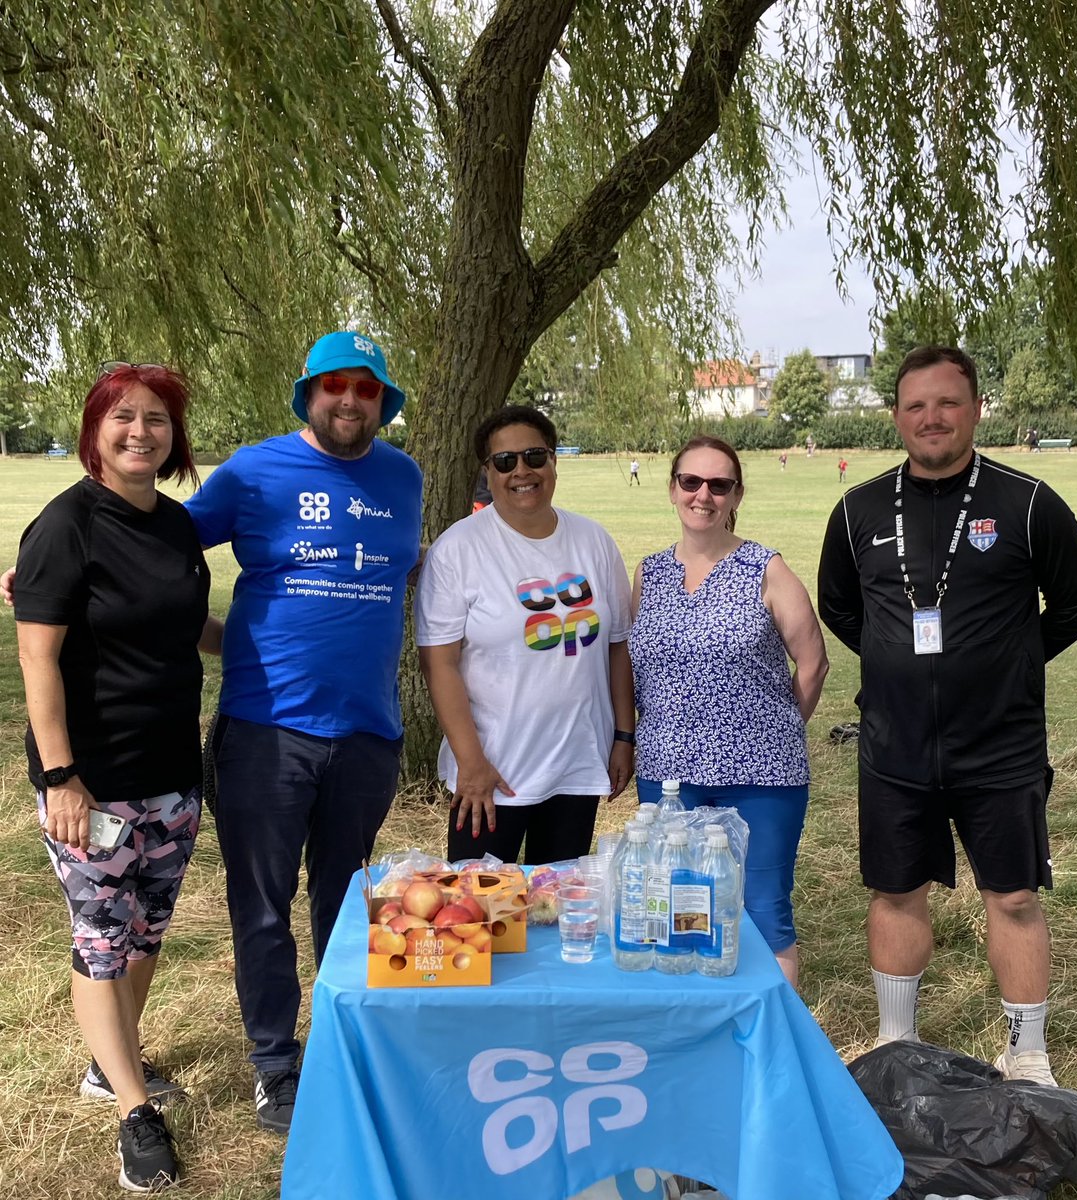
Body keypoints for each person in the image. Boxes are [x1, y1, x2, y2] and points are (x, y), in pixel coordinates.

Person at [817, 345, 1077, 1085]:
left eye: (947, 402)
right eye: (915, 405)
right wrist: (893, 662)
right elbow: (840, 607)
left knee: (1010, 895)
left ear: (975, 409)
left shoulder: (1027, 502)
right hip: (892, 744)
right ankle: (896, 1043)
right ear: (896, 417)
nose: (931, 417)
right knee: (895, 890)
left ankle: (1028, 1054)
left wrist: (1009, 663)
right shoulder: (858, 510)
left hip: (998, 747)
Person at [185, 333, 421, 1131]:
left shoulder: (402, 476)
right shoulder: (253, 471)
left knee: (345, 898)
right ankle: (274, 1064)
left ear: (381, 402)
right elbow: (154, 545)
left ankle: (344, 1040)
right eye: (333, 386)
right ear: (307, 394)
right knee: (261, 903)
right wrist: (55, 568)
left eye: (364, 388)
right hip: (265, 731)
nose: (348, 400)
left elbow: (406, 566)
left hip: (366, 733)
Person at [14, 362, 221, 1190]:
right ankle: (136, 1112)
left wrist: (261, 642)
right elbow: (38, 656)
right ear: (95, 429)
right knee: (102, 938)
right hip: (91, 783)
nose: (142, 432)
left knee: (146, 929)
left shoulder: (175, 526)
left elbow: (183, 626)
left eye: (159, 420)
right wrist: (61, 775)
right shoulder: (64, 527)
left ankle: (112, 1064)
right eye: (125, 417)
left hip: (173, 771)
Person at [629, 435, 829, 986]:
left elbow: (812, 663)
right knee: (678, 913)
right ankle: (697, 1033)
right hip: (668, 776)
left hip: (762, 776)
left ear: (736, 494)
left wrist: (777, 729)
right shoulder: (649, 575)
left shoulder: (766, 569)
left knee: (765, 911)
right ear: (672, 489)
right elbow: (632, 665)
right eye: (691, 481)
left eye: (719, 485)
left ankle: (776, 1042)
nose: (703, 495)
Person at [415, 405, 634, 864]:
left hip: (574, 765)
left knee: (555, 916)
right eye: (505, 461)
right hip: (491, 777)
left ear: (553, 461)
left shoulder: (595, 541)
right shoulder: (457, 550)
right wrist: (471, 764)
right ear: (487, 471)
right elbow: (440, 664)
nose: (522, 471)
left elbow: (616, 646)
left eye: (535, 456)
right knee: (479, 919)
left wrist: (622, 736)